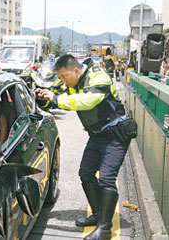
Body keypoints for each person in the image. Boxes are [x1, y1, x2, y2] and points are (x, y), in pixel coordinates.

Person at [35, 55, 134, 240]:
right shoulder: (71, 81)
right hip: (97, 135)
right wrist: (44, 97)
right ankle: (98, 215)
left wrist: (56, 99)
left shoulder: (99, 77)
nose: (63, 80)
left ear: (76, 71)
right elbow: (57, 96)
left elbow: (88, 101)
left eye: (64, 76)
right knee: (86, 173)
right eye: (61, 77)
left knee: (107, 179)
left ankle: (104, 228)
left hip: (115, 135)